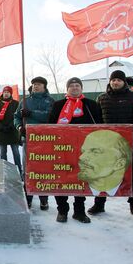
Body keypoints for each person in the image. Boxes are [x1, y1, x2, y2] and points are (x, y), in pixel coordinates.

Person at [88, 70, 133, 219]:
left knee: (131, 175)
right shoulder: (102, 98)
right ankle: (99, 204)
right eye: (113, 80)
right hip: (106, 145)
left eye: (118, 80)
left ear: (124, 82)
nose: (115, 83)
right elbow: (97, 122)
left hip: (128, 145)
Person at [48, 77, 102, 223]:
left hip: (84, 151)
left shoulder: (91, 105)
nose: (74, 88)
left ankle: (79, 211)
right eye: (71, 86)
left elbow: (99, 126)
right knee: (61, 179)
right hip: (62, 149)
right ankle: (62, 210)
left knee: (80, 179)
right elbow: (50, 125)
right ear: (67, 89)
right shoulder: (58, 105)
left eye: (77, 85)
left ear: (81, 88)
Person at [14, 76, 55, 210]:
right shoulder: (25, 101)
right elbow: (17, 117)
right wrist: (20, 127)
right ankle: (28, 196)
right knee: (28, 169)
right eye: (34, 84)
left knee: (43, 169)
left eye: (39, 84)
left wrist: (31, 113)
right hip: (28, 139)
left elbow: (49, 116)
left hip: (45, 140)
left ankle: (44, 198)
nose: (36, 86)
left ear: (44, 86)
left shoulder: (50, 101)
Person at [79, 130, 132, 195]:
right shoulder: (76, 188)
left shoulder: (128, 188)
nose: (81, 157)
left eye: (95, 152)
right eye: (83, 151)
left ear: (120, 164)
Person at [0, 86, 22, 178]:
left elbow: (17, 116)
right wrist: (1, 127)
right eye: (4, 92)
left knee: (16, 152)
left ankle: (18, 171)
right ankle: (4, 171)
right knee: (2, 152)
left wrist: (10, 126)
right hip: (2, 132)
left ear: (11, 93)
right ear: (2, 93)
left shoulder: (16, 104)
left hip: (13, 132)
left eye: (8, 92)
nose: (6, 93)